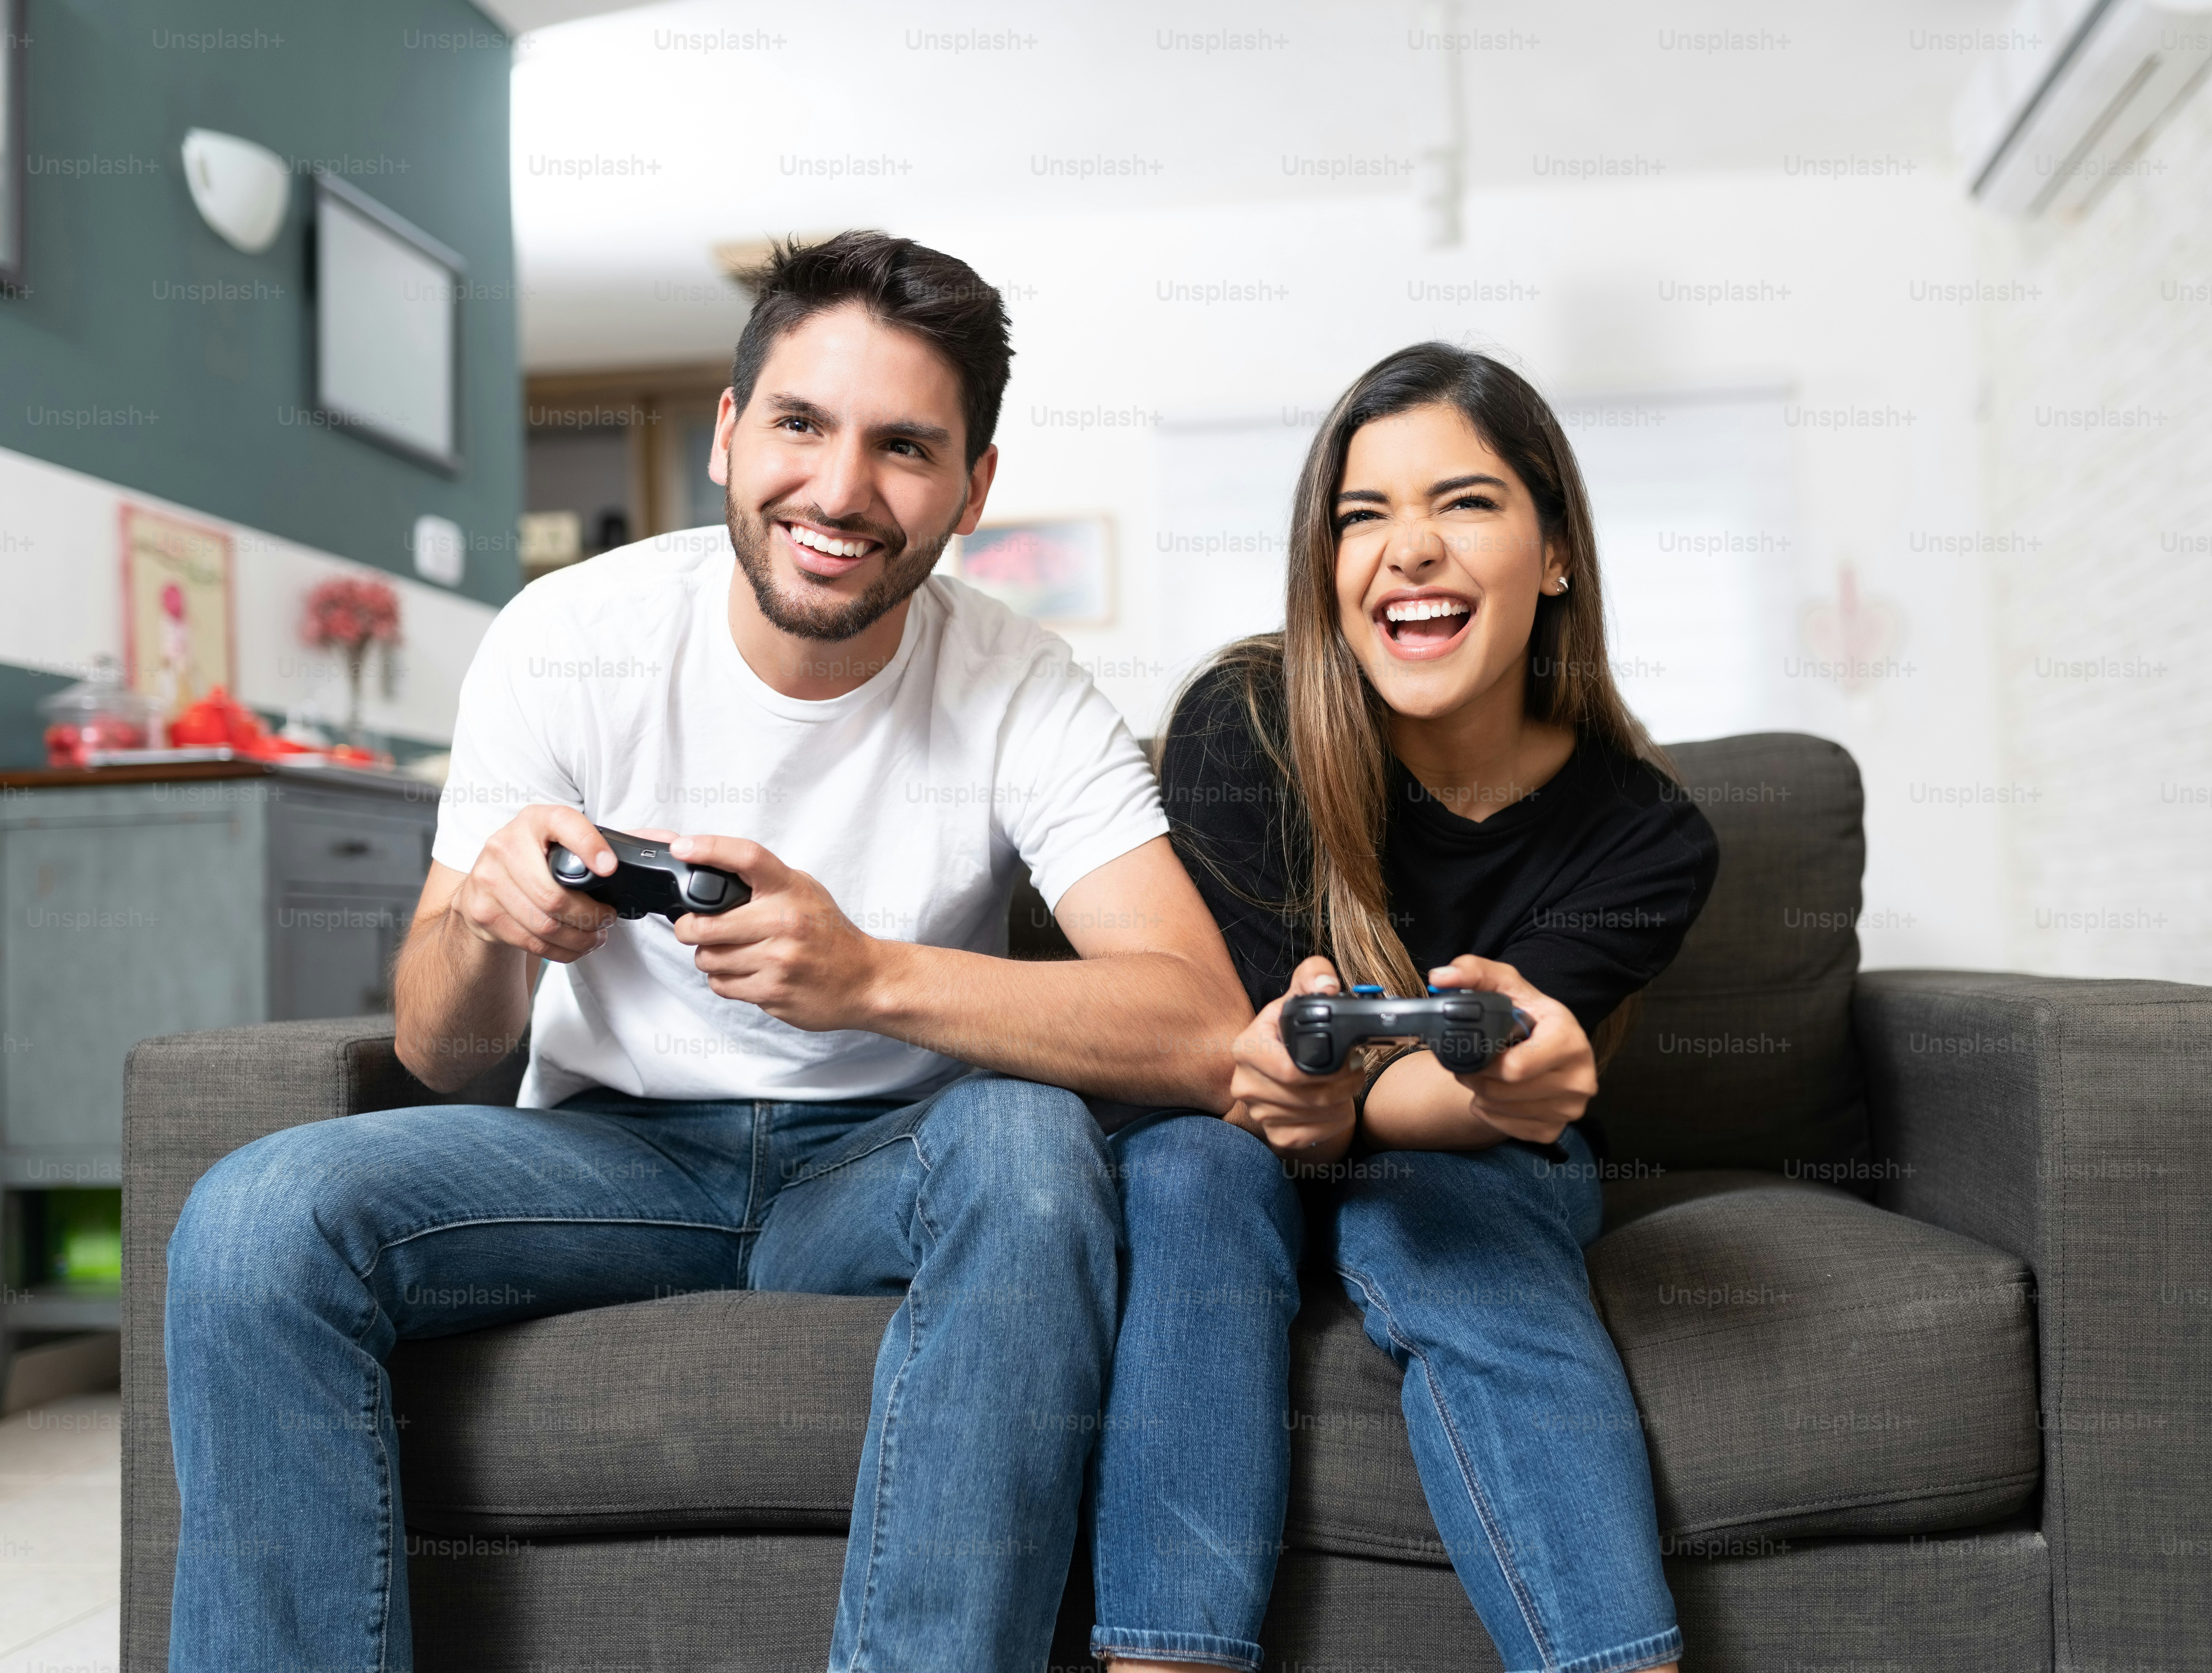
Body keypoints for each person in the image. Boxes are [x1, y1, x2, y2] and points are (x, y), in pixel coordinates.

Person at [161, 232, 1255, 1673]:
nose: (841, 491)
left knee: (1029, 1148)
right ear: (730, 436)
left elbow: (1199, 1026)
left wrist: (867, 976)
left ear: (973, 491)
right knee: (252, 1222)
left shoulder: (1019, 686)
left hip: (890, 1161)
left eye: (906, 449)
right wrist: (494, 930)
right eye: (800, 424)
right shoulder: (568, 637)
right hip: (605, 1163)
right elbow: (440, 1052)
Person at [1087, 343, 1719, 1673]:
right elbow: (1251, 1078)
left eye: (1465, 503)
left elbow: (1419, 1112)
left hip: (1465, 1144)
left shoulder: (1644, 835)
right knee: (1193, 1170)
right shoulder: (1242, 722)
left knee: (1459, 1214)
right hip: (1242, 1137)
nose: (1406, 551)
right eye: (1361, 516)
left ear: (1554, 553)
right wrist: (1294, 1097)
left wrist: (1495, 1085)